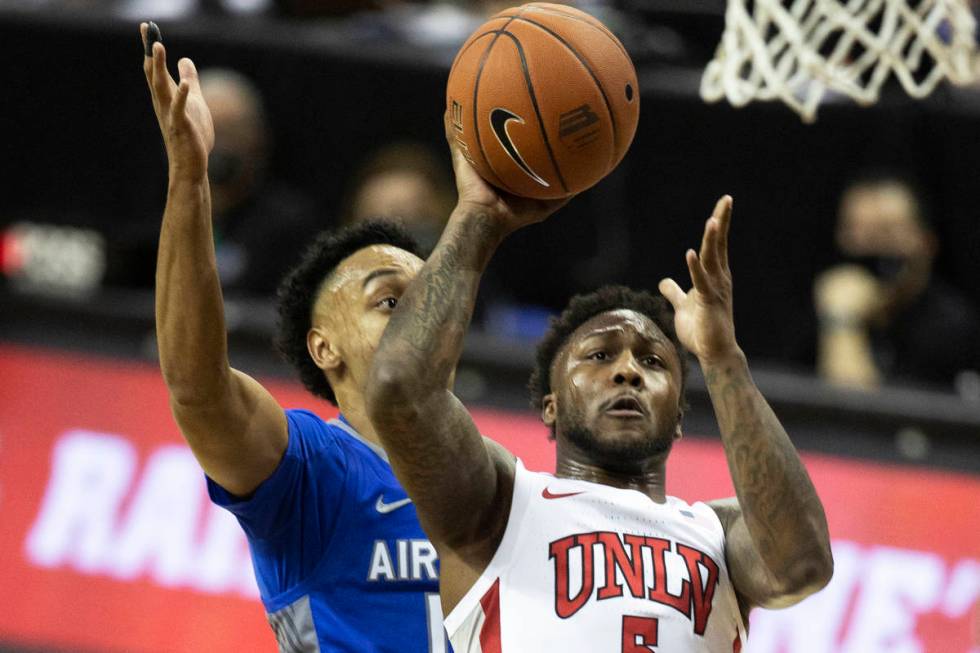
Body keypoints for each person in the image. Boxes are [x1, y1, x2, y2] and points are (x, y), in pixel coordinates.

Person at [364, 123, 834, 650]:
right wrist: (477, 221)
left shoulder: (719, 533)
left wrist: (724, 361)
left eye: (654, 361)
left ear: (679, 415)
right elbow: (399, 390)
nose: (628, 370)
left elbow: (803, 566)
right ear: (551, 405)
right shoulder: (501, 502)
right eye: (600, 355)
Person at [140, 22, 449, 652]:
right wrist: (190, 180)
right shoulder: (310, 466)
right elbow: (198, 389)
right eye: (389, 300)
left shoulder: (501, 483)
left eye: (429, 301)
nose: (419, 315)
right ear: (324, 347)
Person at [813, 174, 980, 389]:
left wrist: (843, 321)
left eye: (887, 231)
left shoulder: (954, 330)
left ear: (926, 243)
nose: (868, 247)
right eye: (854, 231)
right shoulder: (818, 305)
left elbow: (861, 415)